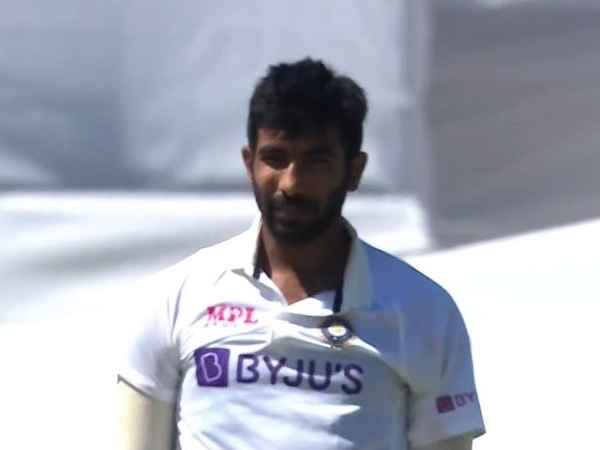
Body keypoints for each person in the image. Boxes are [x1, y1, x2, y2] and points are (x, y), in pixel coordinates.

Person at [117, 58, 485, 450]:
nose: (292, 183)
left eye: (317, 161)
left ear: (354, 171)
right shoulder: (176, 296)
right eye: (275, 158)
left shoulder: (423, 310)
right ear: (249, 164)